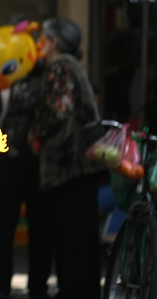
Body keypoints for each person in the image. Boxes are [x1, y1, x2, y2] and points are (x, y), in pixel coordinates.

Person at [0, 23, 53, 299]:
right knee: (2, 231)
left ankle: (39, 288)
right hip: (5, 166)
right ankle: (0, 289)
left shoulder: (44, 73)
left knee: (41, 230)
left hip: (38, 165)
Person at [28, 17, 106, 298]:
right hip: (79, 165)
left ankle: (74, 291)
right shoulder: (71, 66)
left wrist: (35, 134)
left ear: (54, 43)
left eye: (44, 39)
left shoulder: (59, 66)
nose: (39, 45)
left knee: (71, 236)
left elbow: (58, 110)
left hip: (69, 165)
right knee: (81, 234)